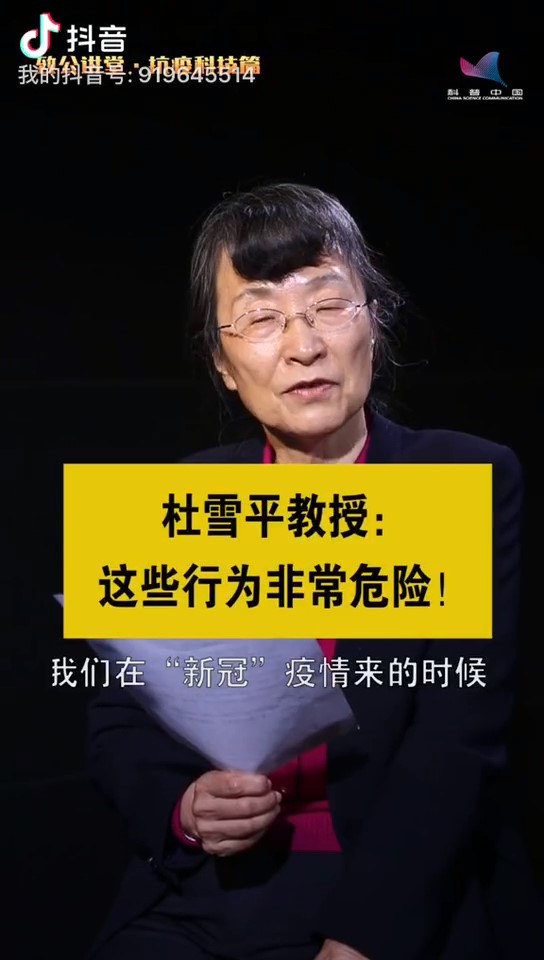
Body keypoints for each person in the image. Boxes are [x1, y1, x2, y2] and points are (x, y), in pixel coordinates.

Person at [86, 183, 542, 960]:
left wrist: (361, 937)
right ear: (223, 364)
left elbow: (458, 740)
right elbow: (118, 719)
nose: (303, 346)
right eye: (262, 317)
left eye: (328, 306)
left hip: (391, 886)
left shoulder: (465, 477)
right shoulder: (185, 495)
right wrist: (184, 807)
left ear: (375, 323)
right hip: (208, 889)